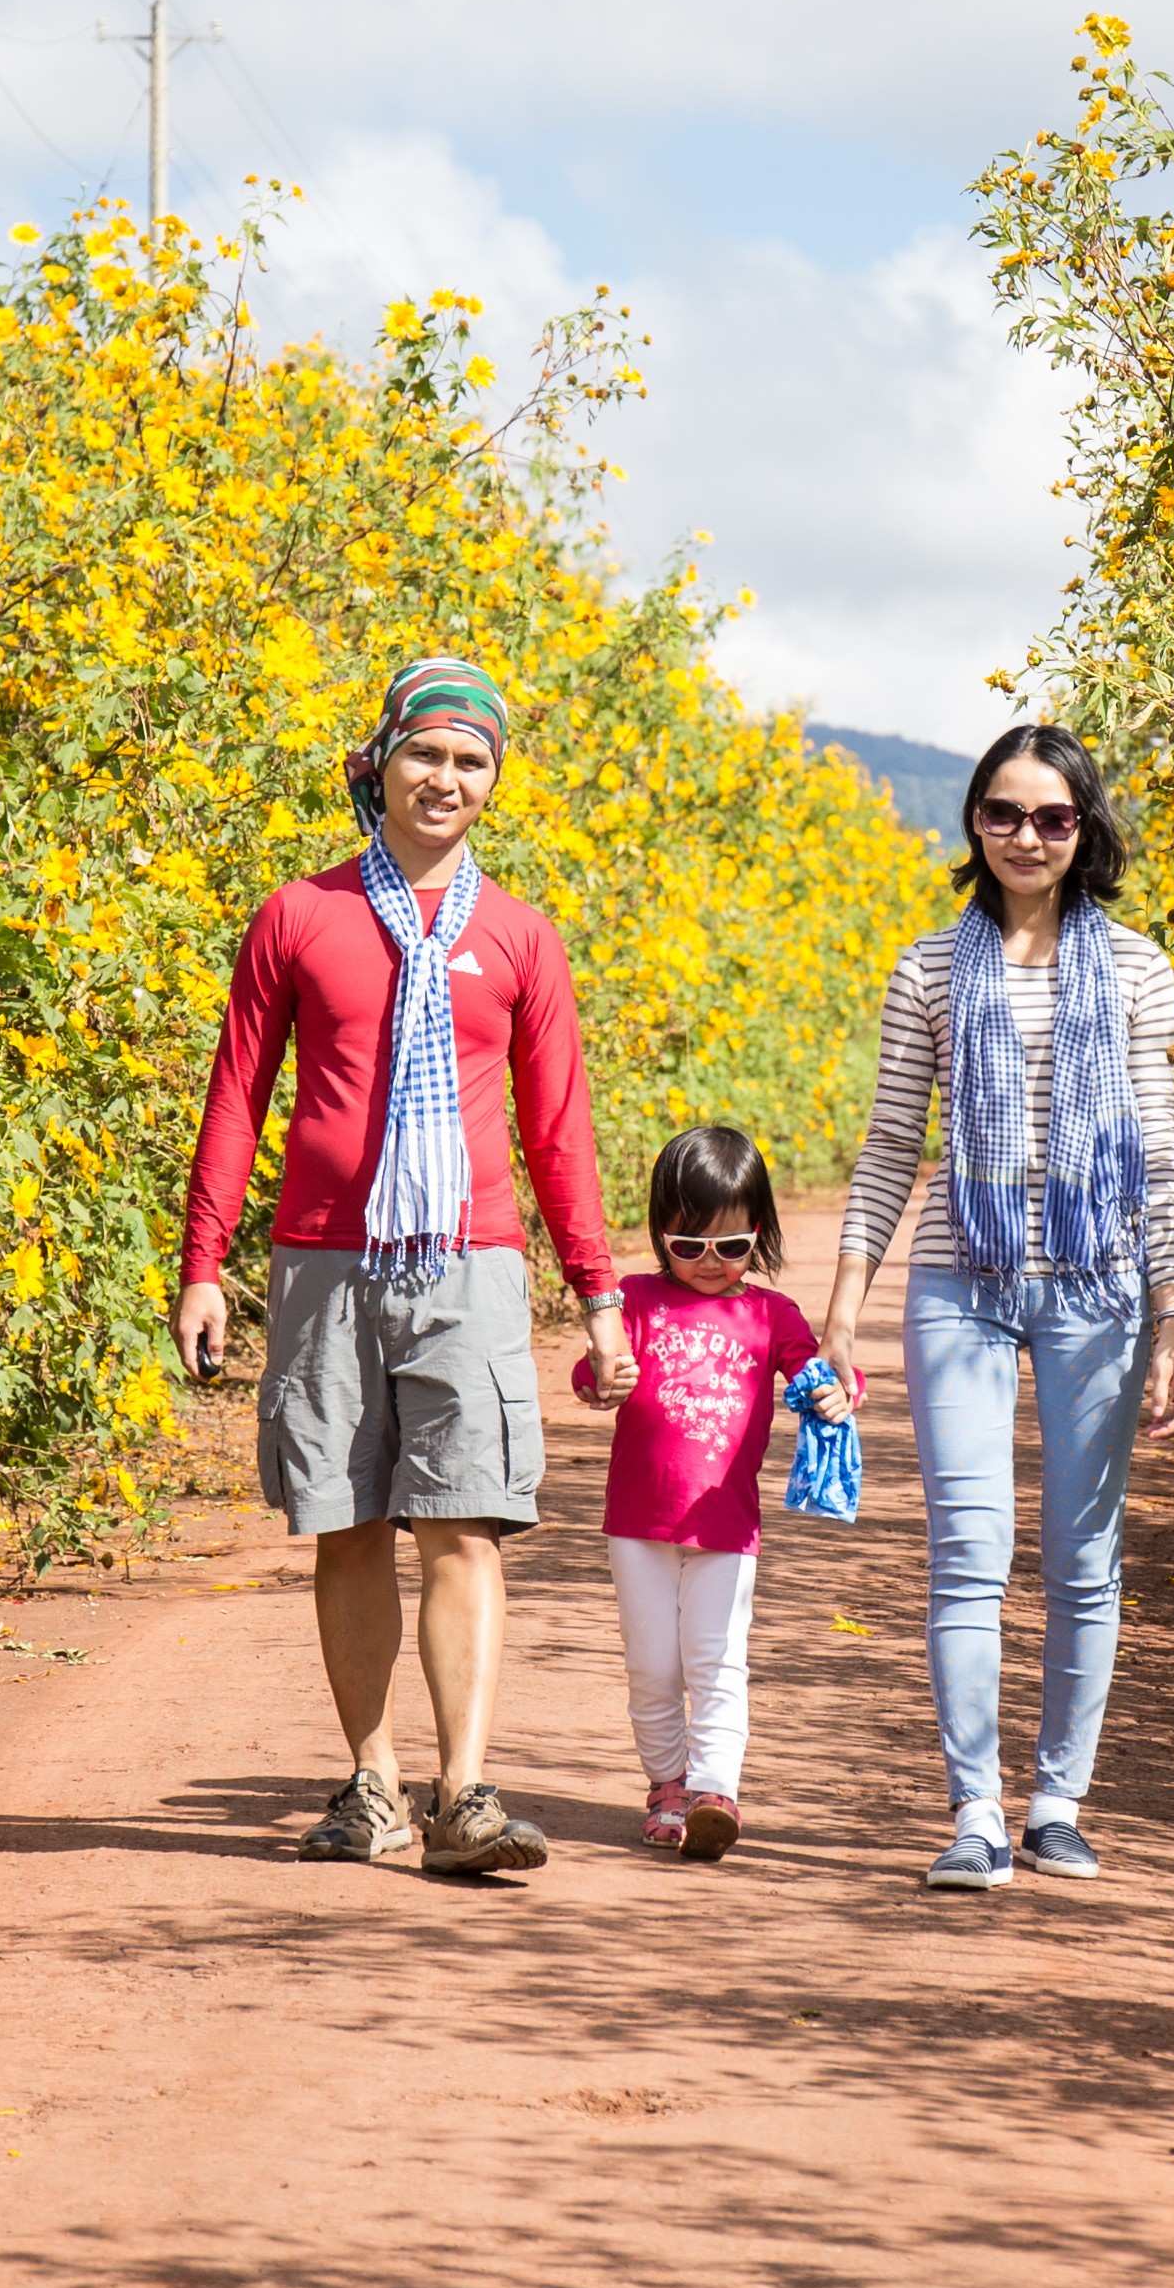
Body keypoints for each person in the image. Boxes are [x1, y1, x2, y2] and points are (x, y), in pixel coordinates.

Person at [177, 653, 632, 1878]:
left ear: (493, 784)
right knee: (347, 1523)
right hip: (324, 1262)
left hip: (469, 1262)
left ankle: (464, 1795)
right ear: (378, 764)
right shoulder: (299, 914)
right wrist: (202, 1262)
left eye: (471, 760)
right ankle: (371, 1785)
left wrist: (597, 1300)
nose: (446, 777)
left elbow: (558, 1130)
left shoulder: (520, 936)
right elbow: (238, 1093)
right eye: (425, 753)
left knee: (463, 1529)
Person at [815, 721, 1174, 1894]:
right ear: (973, 825)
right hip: (959, 1280)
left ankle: (1059, 1803)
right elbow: (889, 1146)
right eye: (1004, 814)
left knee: (1086, 1558)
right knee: (967, 1553)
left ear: (1086, 831)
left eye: (1053, 817)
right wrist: (841, 1304)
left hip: (1099, 1284)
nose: (1027, 836)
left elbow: (1159, 1150)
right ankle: (975, 1808)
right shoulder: (928, 968)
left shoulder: (1136, 967)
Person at [569, 1125, 840, 1861]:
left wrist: (836, 1394)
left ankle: (716, 1792)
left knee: (717, 1660)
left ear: (759, 1234)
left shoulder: (770, 1315)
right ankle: (667, 1785)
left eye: (731, 1246)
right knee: (653, 1664)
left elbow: (816, 1372)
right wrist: (601, 1378)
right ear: (662, 1235)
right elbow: (593, 1370)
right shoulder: (634, 1299)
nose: (710, 1263)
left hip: (726, 1526)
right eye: (689, 1247)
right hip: (636, 1523)